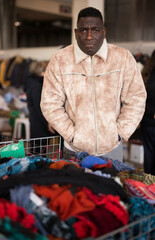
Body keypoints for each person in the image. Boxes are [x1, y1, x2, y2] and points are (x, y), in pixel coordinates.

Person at [40, 7, 146, 161]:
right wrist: (72, 135)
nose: (89, 36)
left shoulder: (122, 57)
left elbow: (136, 98)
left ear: (104, 32)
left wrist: (120, 132)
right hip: (74, 150)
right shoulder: (60, 60)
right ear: (76, 33)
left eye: (95, 30)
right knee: (75, 186)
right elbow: (50, 103)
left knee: (111, 185)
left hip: (112, 149)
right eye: (83, 30)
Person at [140, 50, 155, 175]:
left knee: (149, 155)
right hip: (149, 121)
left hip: (147, 121)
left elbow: (140, 99)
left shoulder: (146, 74)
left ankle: (149, 185)